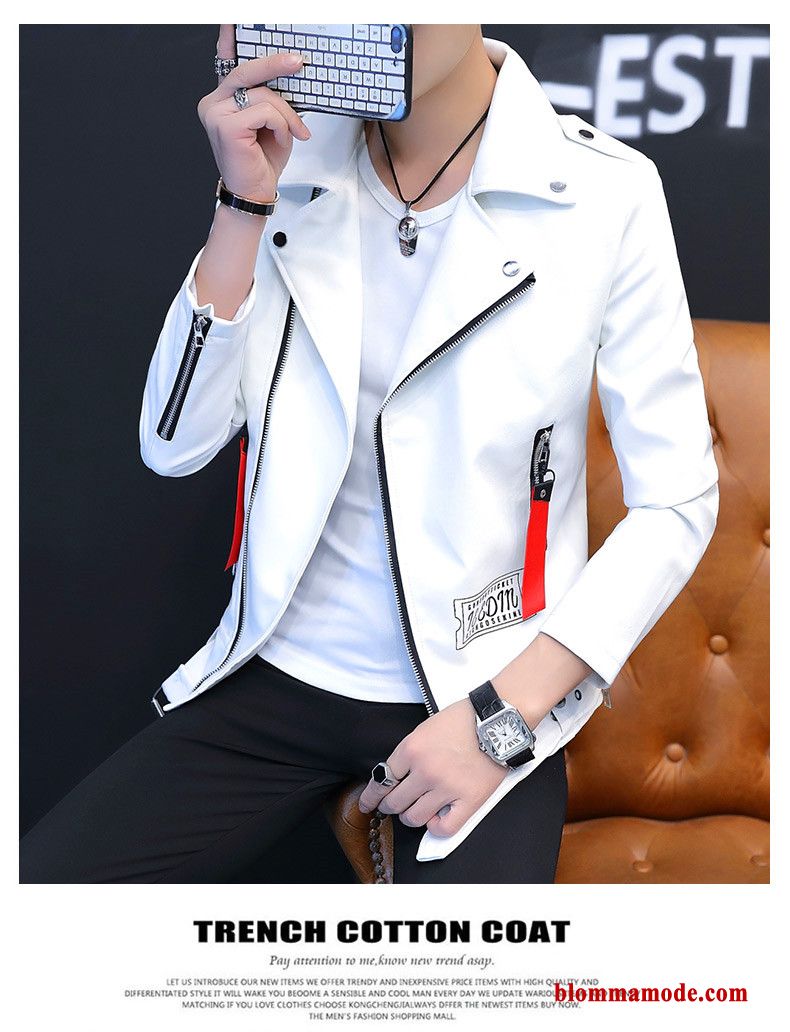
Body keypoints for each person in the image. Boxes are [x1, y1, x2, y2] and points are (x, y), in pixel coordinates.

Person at [20, 24, 719, 884]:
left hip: (474, 684)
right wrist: (242, 206)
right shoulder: (294, 160)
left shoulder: (603, 192)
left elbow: (677, 499)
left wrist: (499, 720)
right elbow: (174, 444)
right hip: (274, 673)